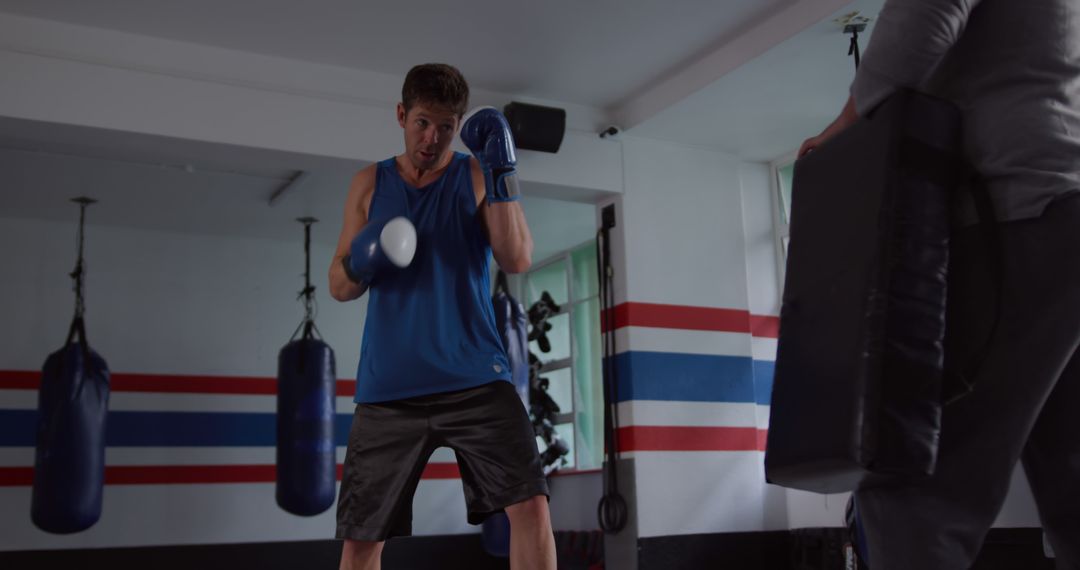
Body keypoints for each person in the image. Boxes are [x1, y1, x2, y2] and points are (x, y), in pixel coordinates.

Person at [800, 1, 1080, 568]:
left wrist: (848, 121)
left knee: (913, 481)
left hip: (1008, 219)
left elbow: (926, 12)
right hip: (1061, 218)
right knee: (1072, 478)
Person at [328, 63, 556, 570]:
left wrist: (501, 170)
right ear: (401, 114)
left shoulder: (473, 175)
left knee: (531, 506)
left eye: (447, 127)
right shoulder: (370, 183)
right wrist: (363, 259)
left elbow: (517, 258)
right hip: (389, 389)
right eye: (422, 123)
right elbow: (339, 286)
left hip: (474, 376)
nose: (433, 139)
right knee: (362, 539)